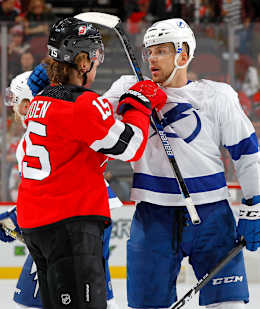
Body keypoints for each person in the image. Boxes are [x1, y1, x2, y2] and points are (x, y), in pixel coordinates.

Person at [102, 18, 260, 308]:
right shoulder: (127, 89)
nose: (152, 57)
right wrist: (133, 105)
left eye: (162, 50)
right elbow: (93, 131)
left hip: (213, 217)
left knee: (228, 305)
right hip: (153, 217)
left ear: (183, 55)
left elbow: (246, 152)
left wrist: (256, 204)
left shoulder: (216, 96)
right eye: (149, 51)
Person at [14, 18, 166, 309]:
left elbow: (78, 144)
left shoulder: (40, 102)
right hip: (70, 225)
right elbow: (130, 146)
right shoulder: (83, 104)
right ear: (83, 62)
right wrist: (139, 104)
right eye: (96, 59)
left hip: (36, 224)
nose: (97, 66)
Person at [0, 71, 122, 309]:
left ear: (29, 104)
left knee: (36, 302)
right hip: (77, 224)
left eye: (17, 102)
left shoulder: (38, 137)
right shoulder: (49, 129)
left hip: (76, 226)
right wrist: (15, 215)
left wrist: (16, 217)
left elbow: (56, 189)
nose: (14, 110)